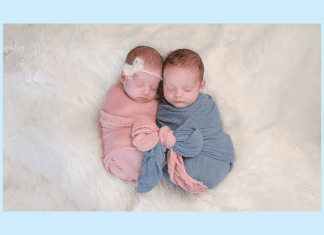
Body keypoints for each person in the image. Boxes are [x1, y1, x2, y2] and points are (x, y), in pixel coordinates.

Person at [157, 49, 235, 192]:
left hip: (214, 152)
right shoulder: (163, 109)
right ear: (163, 85)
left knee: (195, 170)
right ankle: (184, 178)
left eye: (187, 89)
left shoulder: (206, 105)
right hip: (183, 158)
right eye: (170, 88)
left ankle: (190, 177)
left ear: (201, 86)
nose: (178, 94)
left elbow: (213, 132)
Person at [99, 46, 163, 181]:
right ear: (123, 76)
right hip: (118, 150)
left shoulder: (156, 102)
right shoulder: (115, 94)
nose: (146, 91)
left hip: (147, 153)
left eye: (153, 87)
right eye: (139, 84)